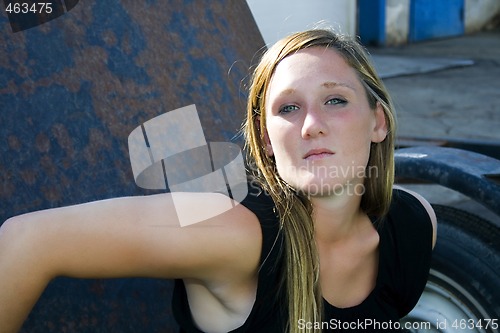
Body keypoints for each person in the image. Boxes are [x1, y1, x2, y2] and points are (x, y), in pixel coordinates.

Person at [0, 28, 437, 333]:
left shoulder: (415, 224)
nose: (310, 126)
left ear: (378, 121)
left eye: (335, 100)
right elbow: (28, 240)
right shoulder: (234, 232)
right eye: (288, 108)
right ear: (266, 141)